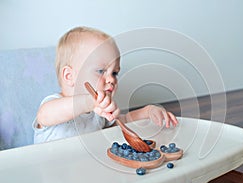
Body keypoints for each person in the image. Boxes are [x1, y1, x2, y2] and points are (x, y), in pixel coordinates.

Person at [32, 26, 178, 144]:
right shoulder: (53, 105)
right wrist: (89, 102)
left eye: (115, 73)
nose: (111, 79)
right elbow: (44, 115)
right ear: (69, 76)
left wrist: (146, 112)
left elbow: (122, 122)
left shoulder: (98, 114)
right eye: (101, 71)